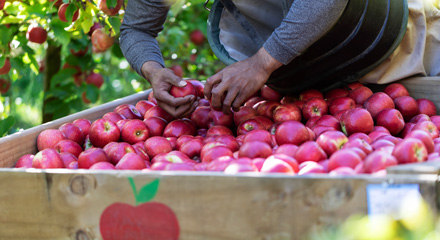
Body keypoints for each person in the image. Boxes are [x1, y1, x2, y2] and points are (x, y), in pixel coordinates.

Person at [119, 0, 440, 118]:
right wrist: (153, 70)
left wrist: (260, 64)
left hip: (402, 48)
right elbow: (135, 28)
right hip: (318, 94)